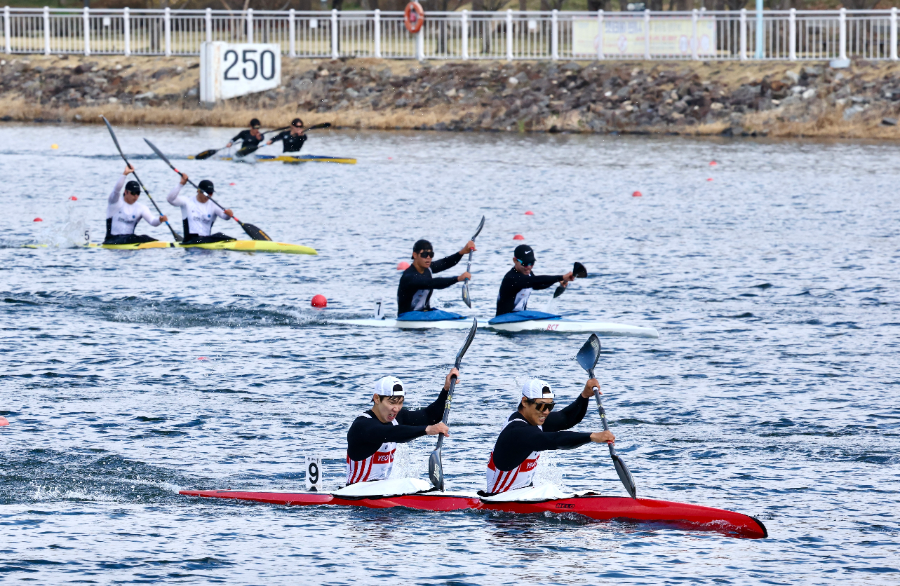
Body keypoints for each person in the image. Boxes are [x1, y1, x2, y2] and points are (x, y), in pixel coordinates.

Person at [484, 378, 616, 495]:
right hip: (501, 505)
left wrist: (585, 395)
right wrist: (592, 436)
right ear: (524, 402)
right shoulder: (517, 431)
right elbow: (554, 440)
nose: (546, 412)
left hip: (522, 496)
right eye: (541, 406)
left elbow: (566, 418)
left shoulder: (534, 417)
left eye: (550, 406)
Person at [345, 369, 456, 486]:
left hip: (381, 492)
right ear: (377, 399)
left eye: (400, 402)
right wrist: (427, 430)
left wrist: (446, 390)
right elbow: (390, 433)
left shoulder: (397, 418)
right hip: (354, 495)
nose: (396, 408)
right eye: (392, 402)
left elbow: (430, 416)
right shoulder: (362, 425)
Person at [397, 239, 475, 316]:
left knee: (452, 315)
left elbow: (446, 262)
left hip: (424, 314)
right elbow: (432, 283)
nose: (428, 257)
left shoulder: (428, 268)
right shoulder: (409, 277)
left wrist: (462, 252)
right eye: (424, 254)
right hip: (407, 317)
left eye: (431, 255)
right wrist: (458, 278)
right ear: (415, 255)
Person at [495, 244, 574, 316]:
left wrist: (557, 280)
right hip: (504, 320)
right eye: (525, 264)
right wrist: (561, 277)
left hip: (518, 318)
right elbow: (535, 280)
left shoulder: (527, 273)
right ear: (515, 260)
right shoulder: (511, 278)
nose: (529, 267)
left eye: (531, 263)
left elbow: (539, 284)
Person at [104, 165, 168, 245]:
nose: (136, 196)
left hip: (130, 240)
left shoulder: (141, 208)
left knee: (146, 237)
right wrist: (124, 174)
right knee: (133, 238)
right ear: (126, 192)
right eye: (133, 193)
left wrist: (160, 220)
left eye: (138, 193)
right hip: (112, 240)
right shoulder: (114, 202)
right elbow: (116, 190)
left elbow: (152, 221)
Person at [166, 172, 235, 245]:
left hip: (207, 241)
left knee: (221, 235)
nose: (209, 195)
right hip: (190, 241)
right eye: (207, 193)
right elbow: (170, 199)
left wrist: (229, 214)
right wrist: (181, 184)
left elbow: (225, 217)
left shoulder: (214, 205)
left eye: (211, 193)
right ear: (198, 191)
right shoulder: (187, 202)